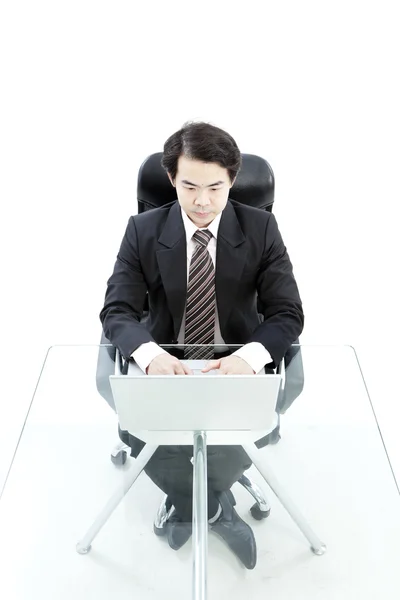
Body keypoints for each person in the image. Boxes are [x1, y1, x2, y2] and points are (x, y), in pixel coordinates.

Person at [100, 121, 304, 569]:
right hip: (166, 364)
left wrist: (249, 358)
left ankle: (196, 504)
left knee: (230, 431)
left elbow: (288, 313)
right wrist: (151, 356)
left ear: (233, 179)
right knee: (155, 428)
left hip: (233, 363)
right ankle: (212, 507)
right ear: (170, 178)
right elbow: (117, 310)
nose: (202, 201)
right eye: (189, 185)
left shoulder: (262, 228)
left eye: (215, 186)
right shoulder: (143, 230)